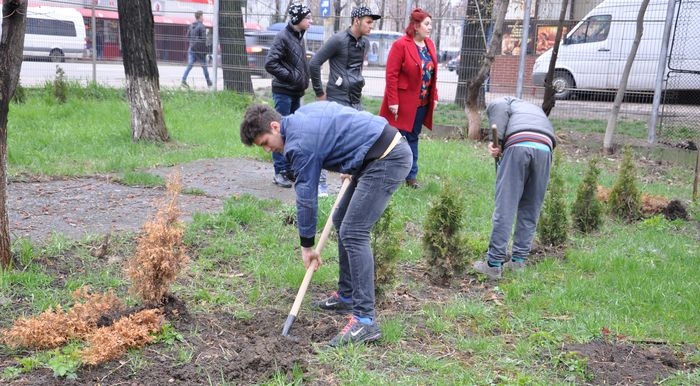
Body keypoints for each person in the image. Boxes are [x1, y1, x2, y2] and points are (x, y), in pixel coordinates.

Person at [239, 101, 411, 347]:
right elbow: (341, 117)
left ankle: (365, 321)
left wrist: (307, 246)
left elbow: (306, 198)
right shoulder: (300, 118)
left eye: (266, 143)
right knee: (343, 221)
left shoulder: (298, 144)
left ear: (275, 127)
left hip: (387, 158)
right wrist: (354, 157)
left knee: (354, 232)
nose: (267, 150)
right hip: (371, 155)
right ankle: (347, 296)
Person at [472, 96, 557, 280]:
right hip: (545, 149)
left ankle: (493, 264)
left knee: (506, 206)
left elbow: (498, 111)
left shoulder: (503, 101)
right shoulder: (532, 109)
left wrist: (498, 142)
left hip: (519, 146)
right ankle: (518, 261)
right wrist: (501, 147)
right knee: (530, 207)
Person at [379, 8, 438, 189]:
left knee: (413, 138)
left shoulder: (429, 45)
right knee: (396, 139)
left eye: (430, 24)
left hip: (421, 103)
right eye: (427, 24)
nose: (430, 28)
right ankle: (388, 175)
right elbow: (391, 75)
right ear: (416, 25)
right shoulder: (401, 45)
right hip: (402, 103)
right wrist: (393, 101)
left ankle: (411, 177)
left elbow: (432, 73)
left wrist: (434, 96)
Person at [264, 3, 314, 190]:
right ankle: (280, 171)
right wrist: (292, 77)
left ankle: (291, 168)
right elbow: (270, 63)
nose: (310, 21)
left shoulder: (298, 37)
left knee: (294, 131)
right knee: (280, 130)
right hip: (284, 93)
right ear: (297, 19)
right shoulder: (283, 37)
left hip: (295, 93)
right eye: (307, 18)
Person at [309, 6, 381, 110]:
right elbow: (314, 63)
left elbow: (357, 71)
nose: (372, 26)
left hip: (356, 101)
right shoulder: (338, 40)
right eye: (368, 22)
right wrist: (320, 93)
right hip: (337, 100)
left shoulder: (365, 43)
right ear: (356, 21)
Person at [181, 10, 212, 88]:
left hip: (191, 48)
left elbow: (187, 36)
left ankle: (183, 80)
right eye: (203, 16)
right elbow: (204, 39)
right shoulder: (201, 26)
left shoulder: (191, 25)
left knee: (190, 65)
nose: (203, 18)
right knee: (204, 66)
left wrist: (192, 42)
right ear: (200, 16)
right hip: (199, 50)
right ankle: (209, 82)